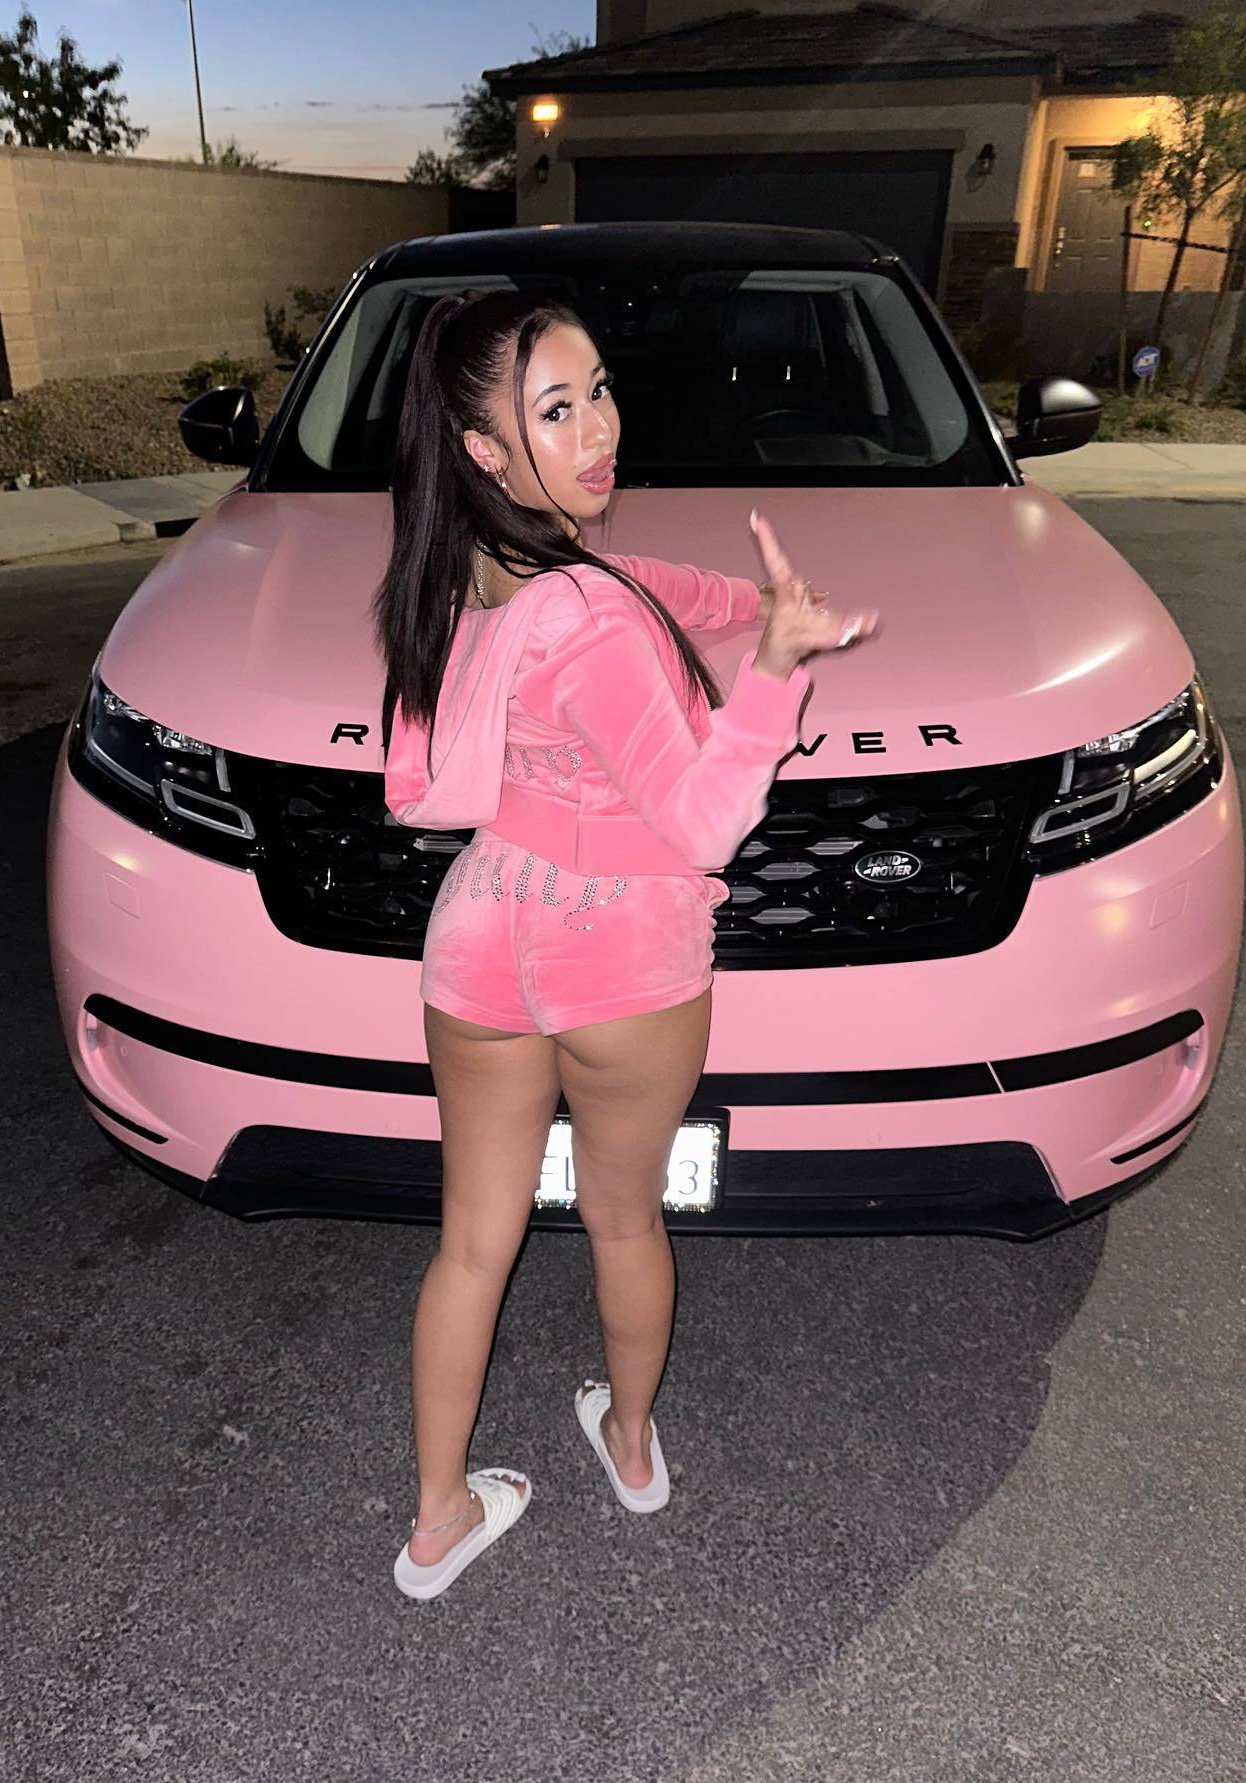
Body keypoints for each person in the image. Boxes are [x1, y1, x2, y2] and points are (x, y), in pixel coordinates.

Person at [372, 289, 880, 1600]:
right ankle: (634, 1445)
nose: (598, 426)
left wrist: (745, 600)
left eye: (598, 389)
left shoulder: (456, 574)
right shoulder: (588, 619)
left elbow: (647, 587)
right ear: (486, 449)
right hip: (621, 953)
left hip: (485, 935)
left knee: (471, 1243)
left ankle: (436, 1519)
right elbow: (704, 819)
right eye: (555, 409)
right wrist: (776, 664)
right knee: (622, 1216)